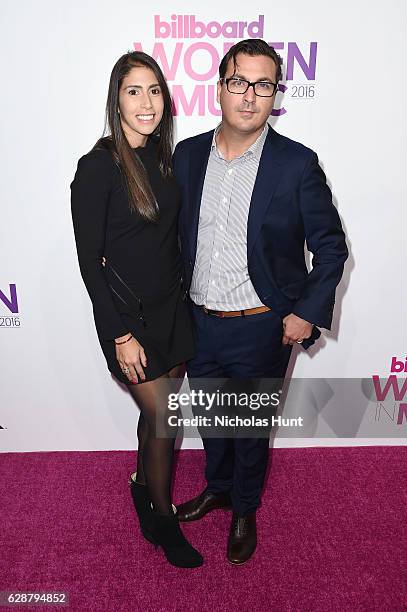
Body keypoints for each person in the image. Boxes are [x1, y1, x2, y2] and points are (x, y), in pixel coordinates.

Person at [173, 39, 348, 565]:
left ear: (276, 93)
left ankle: (245, 507)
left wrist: (305, 312)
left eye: (263, 84)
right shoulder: (186, 157)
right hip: (198, 320)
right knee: (212, 421)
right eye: (238, 82)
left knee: (249, 430)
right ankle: (219, 488)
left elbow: (331, 248)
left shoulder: (296, 165)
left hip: (261, 324)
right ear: (219, 88)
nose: (249, 96)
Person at [70, 51, 203, 568]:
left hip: (173, 307)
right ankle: (163, 520)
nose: (146, 102)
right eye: (133, 91)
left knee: (158, 414)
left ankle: (141, 484)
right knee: (165, 414)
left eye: (154, 90)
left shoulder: (165, 159)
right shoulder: (97, 167)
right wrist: (119, 334)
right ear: (116, 100)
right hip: (129, 318)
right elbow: (89, 262)